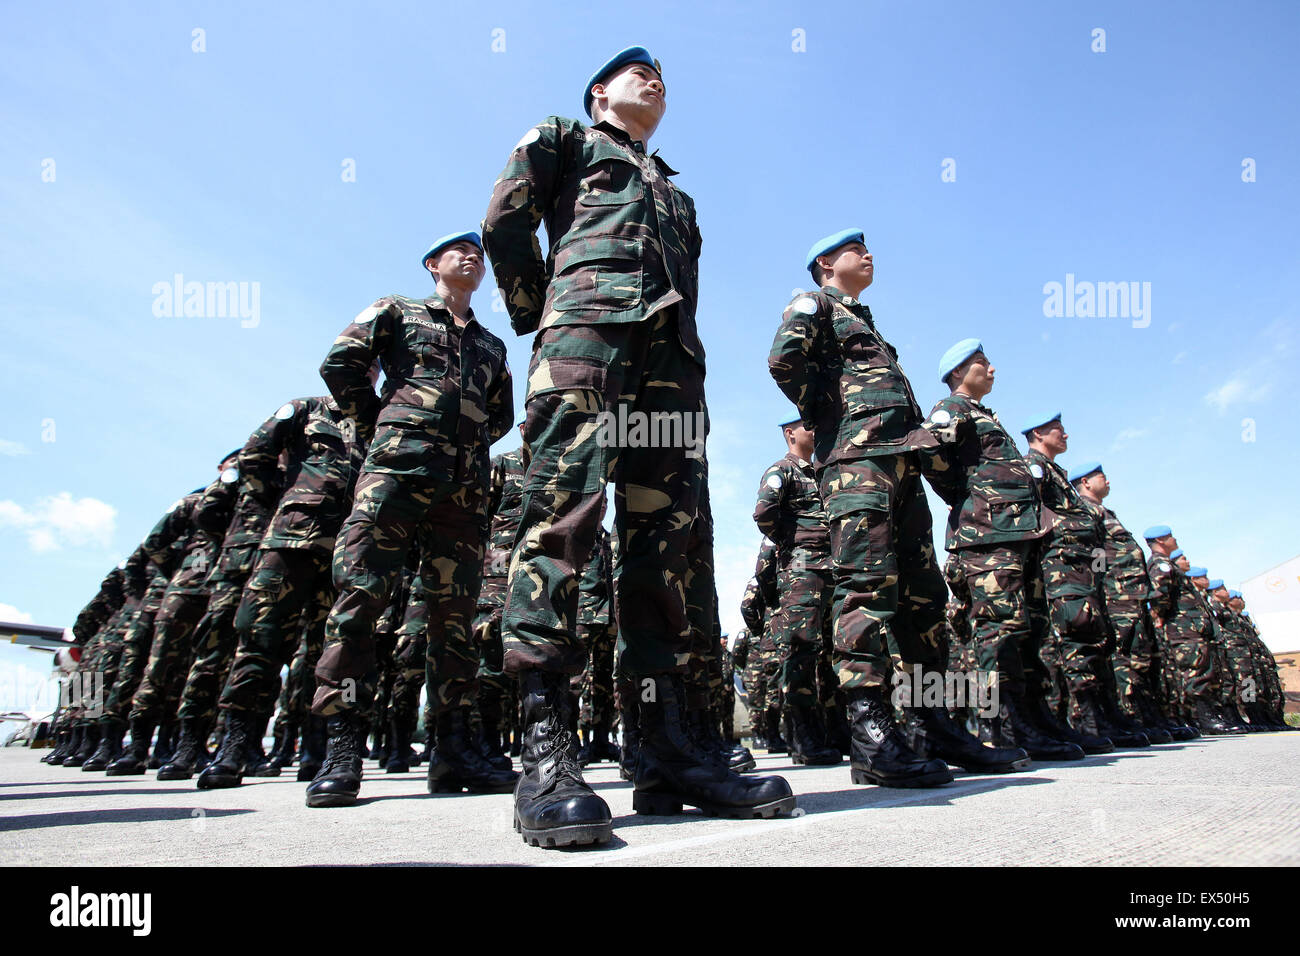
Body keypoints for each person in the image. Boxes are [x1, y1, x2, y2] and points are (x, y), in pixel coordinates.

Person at [483, 45, 793, 846]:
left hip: (672, 364)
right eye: (635, 72)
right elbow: (505, 221)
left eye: (662, 76)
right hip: (586, 337)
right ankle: (546, 750)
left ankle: (665, 748)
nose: (653, 80)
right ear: (598, 93)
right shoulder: (566, 139)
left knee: (671, 547)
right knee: (561, 517)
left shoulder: (678, 195)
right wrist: (544, 312)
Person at [770, 228, 965, 788]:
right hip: (857, 464)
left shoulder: (865, 320)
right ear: (828, 264)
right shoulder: (813, 304)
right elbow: (784, 361)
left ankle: (934, 722)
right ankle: (870, 731)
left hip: (900, 465)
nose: (869, 254)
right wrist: (835, 419)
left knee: (923, 597)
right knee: (867, 587)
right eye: (857, 250)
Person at [919, 339, 1074, 763]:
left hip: (1015, 535)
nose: (991, 369)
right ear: (957, 373)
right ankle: (998, 723)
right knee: (997, 628)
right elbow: (929, 453)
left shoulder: (985, 415)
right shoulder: (952, 410)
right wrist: (966, 496)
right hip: (985, 536)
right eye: (981, 363)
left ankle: (1030, 716)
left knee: (1025, 628)